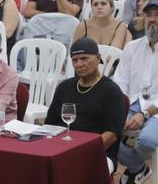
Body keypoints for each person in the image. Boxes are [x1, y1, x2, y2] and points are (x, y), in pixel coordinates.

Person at [114, 0, 158, 184]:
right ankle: (138, 167)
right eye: (148, 15)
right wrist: (121, 110)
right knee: (102, 131)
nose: (152, 19)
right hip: (132, 103)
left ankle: (134, 167)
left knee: (148, 140)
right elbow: (120, 84)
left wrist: (144, 114)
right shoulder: (132, 48)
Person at [45, 38, 126, 173]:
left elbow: (112, 134)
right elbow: (50, 124)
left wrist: (82, 152)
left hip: (98, 152)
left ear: (98, 58)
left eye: (84, 58)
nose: (79, 64)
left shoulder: (111, 91)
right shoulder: (64, 87)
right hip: (60, 148)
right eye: (75, 60)